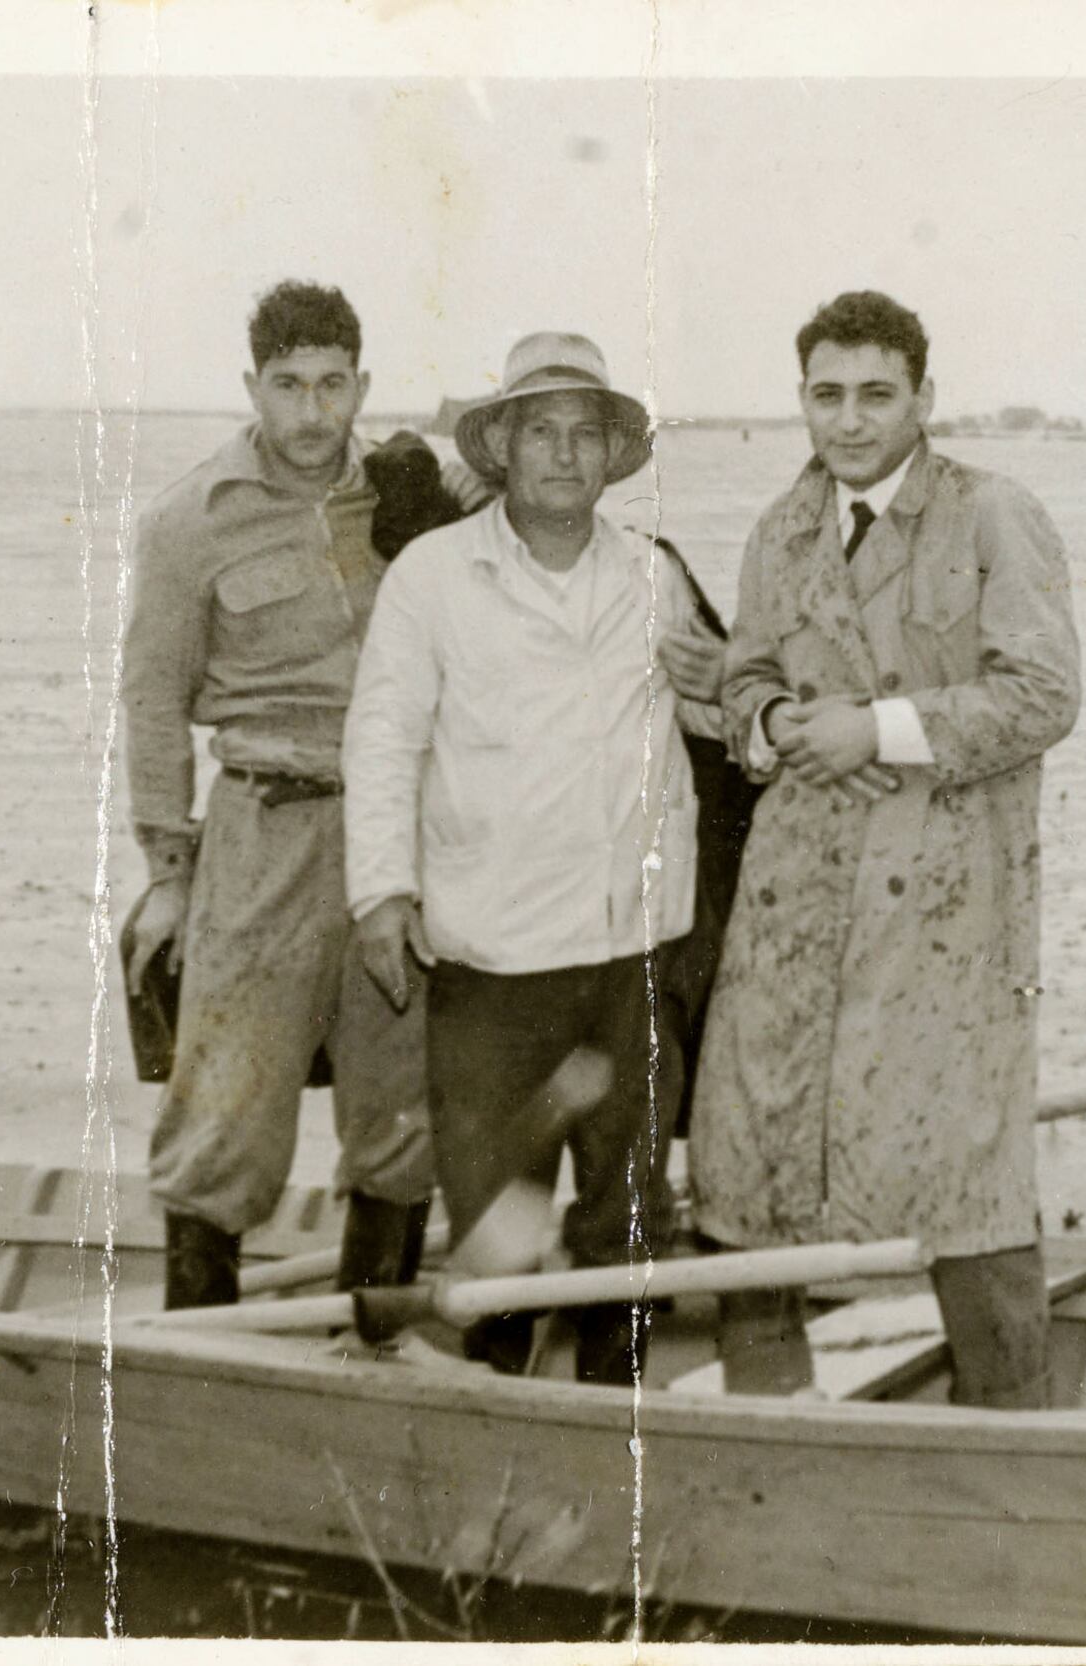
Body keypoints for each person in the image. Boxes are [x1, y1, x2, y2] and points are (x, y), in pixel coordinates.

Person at [689, 291, 1082, 1407]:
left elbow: (1045, 691)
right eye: (827, 395)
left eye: (876, 395)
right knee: (752, 1163)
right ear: (801, 399)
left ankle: (1011, 1445)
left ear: (923, 398)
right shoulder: (783, 529)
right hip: (797, 894)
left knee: (969, 1178)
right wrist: (772, 727)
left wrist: (883, 730)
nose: (850, 421)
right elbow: (745, 679)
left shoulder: (994, 516)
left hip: (947, 905)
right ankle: (770, 1439)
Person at [342, 329, 721, 1385]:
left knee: (628, 1218)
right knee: (496, 1227)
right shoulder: (431, 575)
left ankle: (615, 1422)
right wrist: (380, 891)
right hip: (492, 962)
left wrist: (727, 681)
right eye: (540, 431)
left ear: (612, 456)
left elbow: (725, 723)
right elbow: (381, 738)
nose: (563, 454)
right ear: (501, 447)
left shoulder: (653, 577)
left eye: (584, 434)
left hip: (632, 958)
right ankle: (493, 1407)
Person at [120, 281, 461, 1309]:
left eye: (331, 385)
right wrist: (169, 878)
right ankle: (200, 1359)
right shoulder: (191, 520)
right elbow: (150, 707)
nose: (312, 412)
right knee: (225, 1110)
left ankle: (374, 1356)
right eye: (287, 386)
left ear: (362, 384)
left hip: (400, 833)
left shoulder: (408, 492)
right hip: (264, 828)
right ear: (251, 388)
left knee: (401, 1112)